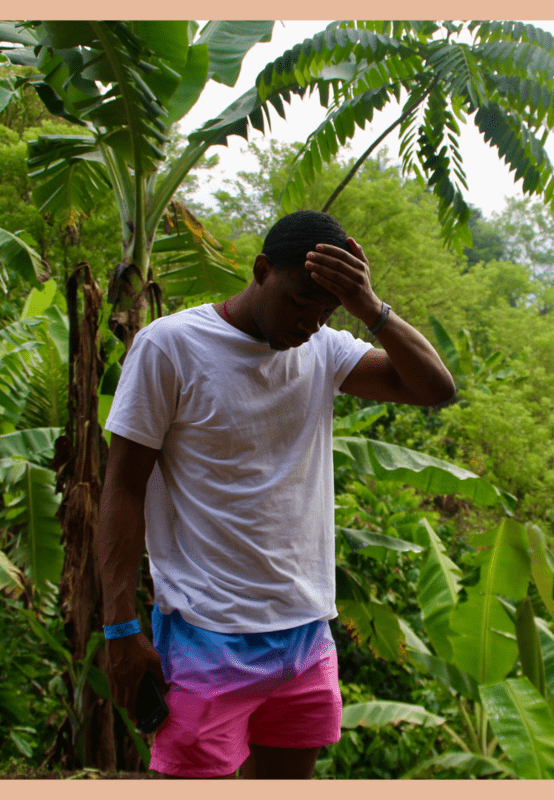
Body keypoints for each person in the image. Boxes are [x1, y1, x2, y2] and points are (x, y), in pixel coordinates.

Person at [98, 210, 455, 780]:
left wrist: (370, 308)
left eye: (326, 310)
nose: (310, 322)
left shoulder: (325, 349)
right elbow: (121, 490)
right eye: (299, 301)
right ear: (262, 270)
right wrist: (119, 629)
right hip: (203, 635)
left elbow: (435, 388)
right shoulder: (170, 347)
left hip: (305, 634)